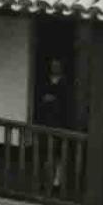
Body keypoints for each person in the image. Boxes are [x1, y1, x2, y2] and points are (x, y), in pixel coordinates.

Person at [35, 58, 74, 194]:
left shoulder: (66, 83)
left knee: (58, 154)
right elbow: (39, 99)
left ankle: (57, 181)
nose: (55, 67)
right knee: (46, 153)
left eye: (57, 65)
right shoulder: (45, 81)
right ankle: (45, 180)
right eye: (53, 65)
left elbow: (68, 104)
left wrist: (55, 100)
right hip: (45, 122)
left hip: (60, 123)